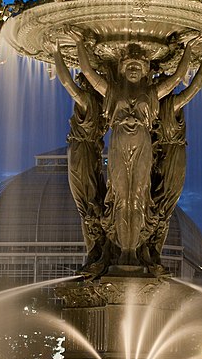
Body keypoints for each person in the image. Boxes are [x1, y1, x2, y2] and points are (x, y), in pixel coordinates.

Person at [76, 39, 195, 267]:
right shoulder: (111, 92)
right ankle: (122, 251)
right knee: (119, 196)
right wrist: (77, 45)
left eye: (138, 66)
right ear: (122, 69)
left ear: (145, 71)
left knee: (140, 196)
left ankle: (133, 251)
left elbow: (179, 79)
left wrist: (192, 51)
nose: (133, 68)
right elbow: (88, 73)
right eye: (129, 65)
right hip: (119, 145)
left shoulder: (151, 94)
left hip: (142, 146)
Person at [150, 49, 202, 269]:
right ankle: (147, 251)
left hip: (170, 158)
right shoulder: (146, 105)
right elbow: (194, 86)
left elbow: (193, 87)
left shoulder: (168, 105)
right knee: (156, 205)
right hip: (149, 156)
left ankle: (150, 252)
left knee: (162, 205)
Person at [53, 45, 107, 271]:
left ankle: (97, 252)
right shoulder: (101, 105)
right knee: (91, 203)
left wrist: (56, 53)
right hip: (87, 154)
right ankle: (99, 252)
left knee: (87, 204)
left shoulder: (87, 101)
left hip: (81, 155)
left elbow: (67, 83)